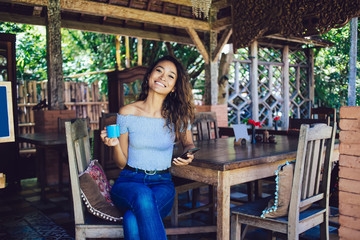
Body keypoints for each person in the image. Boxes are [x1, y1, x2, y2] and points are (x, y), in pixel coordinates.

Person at [100, 55, 197, 240]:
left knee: (131, 219)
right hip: (129, 181)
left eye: (170, 76)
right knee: (142, 195)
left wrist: (189, 154)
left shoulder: (178, 116)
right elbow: (121, 163)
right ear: (150, 75)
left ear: (174, 87)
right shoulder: (127, 112)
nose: (162, 77)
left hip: (162, 182)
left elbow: (189, 143)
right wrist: (114, 145)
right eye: (159, 70)